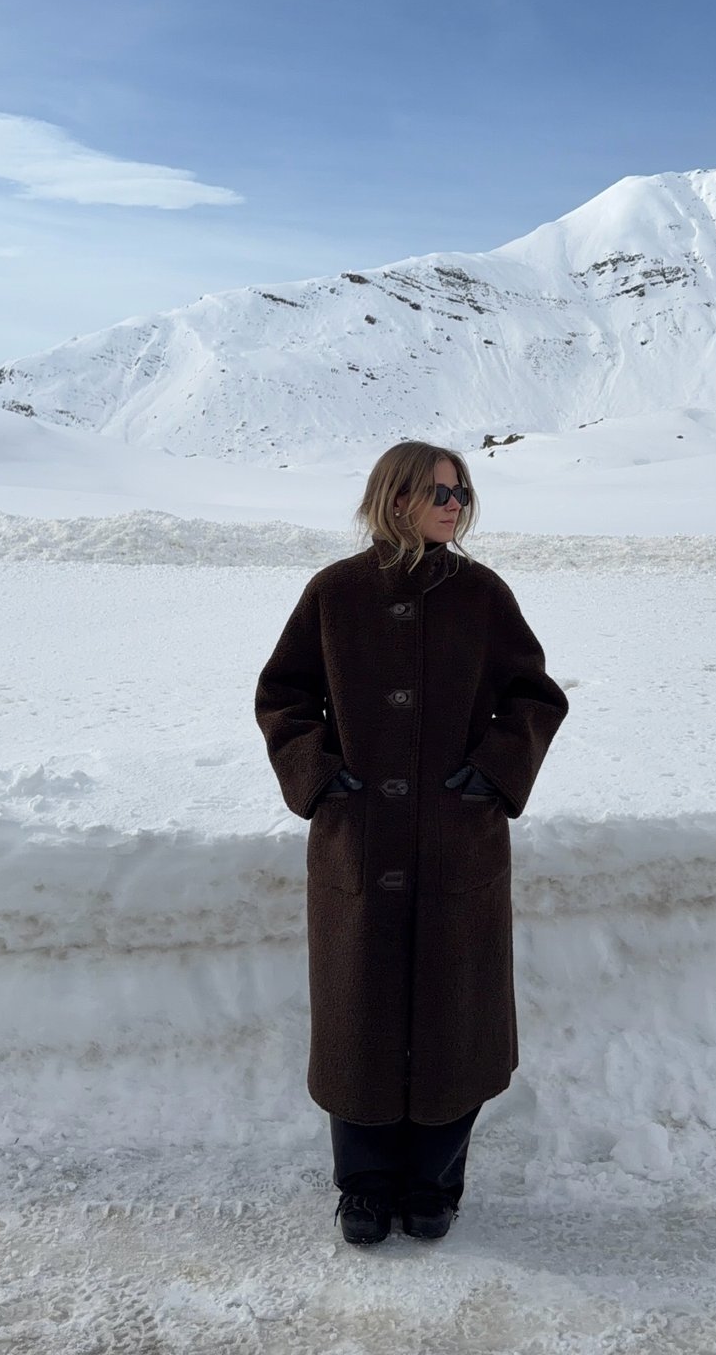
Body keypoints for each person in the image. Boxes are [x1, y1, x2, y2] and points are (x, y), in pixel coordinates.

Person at [254, 441, 568, 1245]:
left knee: (453, 1021)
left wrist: (494, 774)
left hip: (457, 844)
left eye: (461, 492)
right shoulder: (335, 593)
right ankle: (362, 1187)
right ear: (395, 498)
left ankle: (434, 1182)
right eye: (439, 492)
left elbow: (534, 696)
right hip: (359, 841)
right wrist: (319, 775)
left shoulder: (481, 594)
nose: (455, 505)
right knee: (359, 1021)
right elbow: (283, 695)